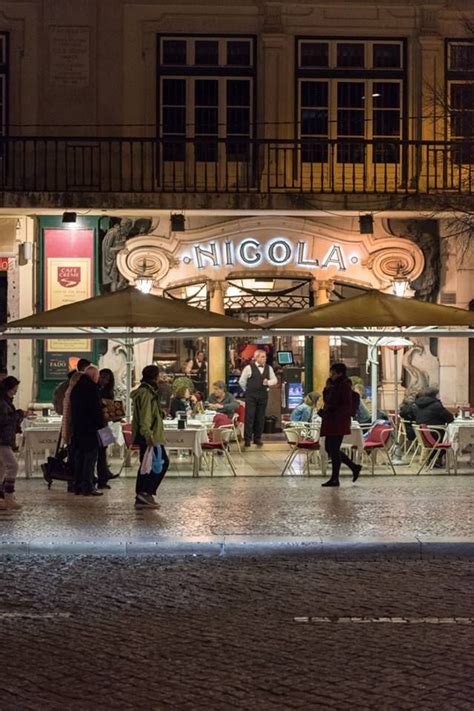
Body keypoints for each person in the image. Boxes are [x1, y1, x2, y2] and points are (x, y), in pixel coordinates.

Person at [131, 365, 169, 509]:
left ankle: (142, 494)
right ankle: (146, 493)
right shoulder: (147, 394)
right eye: (158, 376)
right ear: (154, 377)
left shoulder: (146, 392)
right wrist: (148, 434)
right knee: (161, 462)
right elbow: (145, 416)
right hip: (150, 435)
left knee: (146, 465)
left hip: (148, 434)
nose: (160, 379)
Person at [320, 362, 362, 487]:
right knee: (331, 448)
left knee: (332, 449)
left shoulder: (343, 386)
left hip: (337, 421)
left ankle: (335, 478)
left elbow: (335, 402)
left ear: (339, 373)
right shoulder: (336, 385)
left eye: (333, 373)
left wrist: (328, 391)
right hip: (334, 421)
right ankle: (353, 467)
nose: (331, 376)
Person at [70, 365, 105, 496]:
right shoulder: (91, 389)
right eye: (97, 376)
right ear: (93, 376)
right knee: (90, 458)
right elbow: (95, 411)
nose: (98, 379)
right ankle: (88, 486)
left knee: (80, 458)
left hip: (78, 429)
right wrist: (101, 422)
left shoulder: (76, 388)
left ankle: (78, 485)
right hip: (90, 430)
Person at [238, 349, 277, 448]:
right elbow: (242, 381)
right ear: (256, 357)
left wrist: (268, 382)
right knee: (250, 417)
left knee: (260, 417)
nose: (265, 358)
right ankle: (247, 439)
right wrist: (248, 390)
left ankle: (257, 438)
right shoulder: (248, 368)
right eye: (262, 356)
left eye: (265, 356)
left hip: (263, 395)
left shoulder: (269, 368)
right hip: (251, 396)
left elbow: (275, 380)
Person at [0, 376, 23, 510]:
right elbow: (4, 420)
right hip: (2, 439)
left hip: (5, 438)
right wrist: (19, 414)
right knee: (12, 466)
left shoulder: (6, 401)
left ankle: (2, 497)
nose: (15, 391)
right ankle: (8, 496)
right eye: (14, 389)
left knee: (2, 467)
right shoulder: (3, 403)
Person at [97, 368, 118, 488]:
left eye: (107, 379)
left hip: (105, 425)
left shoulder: (108, 391)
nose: (104, 381)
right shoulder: (96, 390)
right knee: (98, 453)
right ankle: (102, 476)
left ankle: (104, 475)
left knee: (103, 451)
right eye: (103, 377)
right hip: (98, 424)